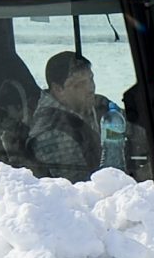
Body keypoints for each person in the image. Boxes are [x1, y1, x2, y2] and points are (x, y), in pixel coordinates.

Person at [28, 51, 105, 181]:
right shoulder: (53, 132)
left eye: (91, 79)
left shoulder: (92, 104)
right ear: (58, 90)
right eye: (79, 84)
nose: (91, 88)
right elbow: (78, 187)